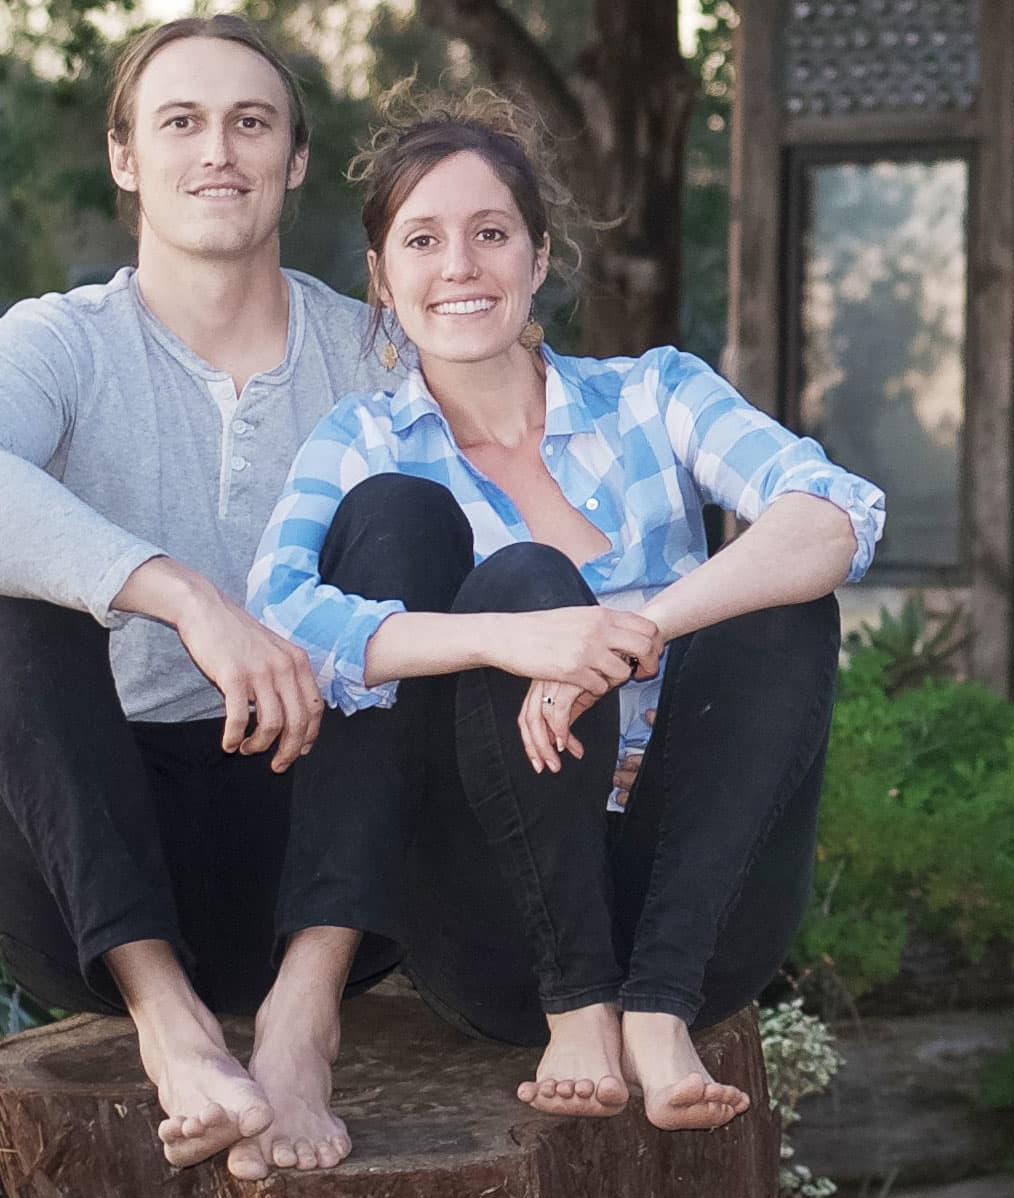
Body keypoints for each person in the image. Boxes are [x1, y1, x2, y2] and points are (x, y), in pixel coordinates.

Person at [249, 94, 882, 1127]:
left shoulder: (655, 393)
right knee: (523, 577)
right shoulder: (361, 439)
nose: (460, 265)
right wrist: (518, 636)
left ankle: (660, 1011)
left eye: (490, 233)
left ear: (537, 258)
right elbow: (280, 615)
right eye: (423, 239)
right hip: (502, 922)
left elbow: (836, 513)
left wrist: (635, 635)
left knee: (780, 601)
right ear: (381, 275)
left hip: (700, 899)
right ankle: (580, 1002)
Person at [0, 15, 410, 1179]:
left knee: (412, 527)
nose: (216, 149)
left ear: (295, 158)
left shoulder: (373, 356)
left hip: (317, 844)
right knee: (7, 575)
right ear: (126, 157)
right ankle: (169, 1021)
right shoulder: (59, 341)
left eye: (250, 121)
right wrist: (183, 597)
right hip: (89, 867)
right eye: (181, 121)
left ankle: (301, 1014)